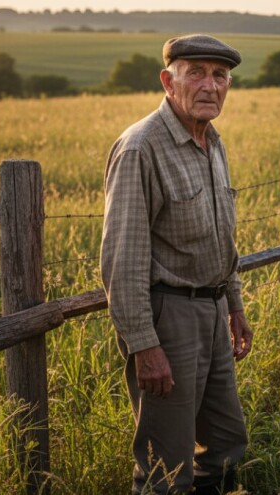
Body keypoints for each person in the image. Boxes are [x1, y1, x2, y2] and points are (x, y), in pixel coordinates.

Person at [100, 34, 252, 494]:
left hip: (211, 311)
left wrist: (234, 305)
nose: (210, 85)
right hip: (168, 318)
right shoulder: (140, 148)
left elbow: (220, 237)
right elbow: (121, 260)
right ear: (168, 81)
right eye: (196, 73)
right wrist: (145, 345)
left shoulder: (211, 141)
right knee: (167, 468)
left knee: (226, 444)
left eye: (220, 76)